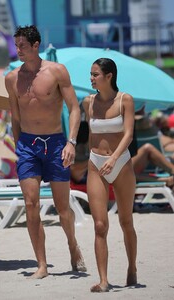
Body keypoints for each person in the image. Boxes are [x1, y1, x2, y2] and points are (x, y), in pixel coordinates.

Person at [4, 25, 86, 279]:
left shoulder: (57, 72)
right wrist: (19, 148)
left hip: (56, 144)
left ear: (36, 45)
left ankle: (72, 245)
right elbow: (15, 117)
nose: (18, 50)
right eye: (16, 45)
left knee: (63, 208)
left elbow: (74, 109)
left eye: (22, 46)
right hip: (28, 146)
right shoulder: (12, 78)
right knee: (31, 204)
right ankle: (42, 264)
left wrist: (71, 142)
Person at [82, 58, 137, 292]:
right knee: (99, 225)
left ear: (109, 76)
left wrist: (114, 158)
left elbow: (129, 135)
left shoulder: (125, 100)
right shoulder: (88, 102)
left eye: (95, 74)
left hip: (121, 163)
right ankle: (104, 280)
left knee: (126, 221)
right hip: (96, 164)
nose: (91, 78)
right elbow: (90, 135)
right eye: (91, 74)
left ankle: (132, 267)